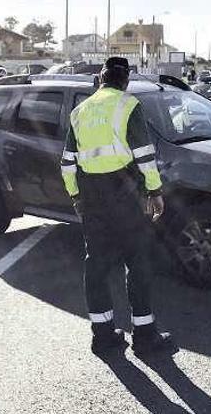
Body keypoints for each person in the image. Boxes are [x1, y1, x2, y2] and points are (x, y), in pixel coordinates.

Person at [60, 56, 175, 356]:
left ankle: (103, 335)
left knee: (96, 266)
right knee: (137, 263)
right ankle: (145, 337)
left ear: (100, 79)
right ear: (125, 81)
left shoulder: (79, 112)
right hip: (127, 195)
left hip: (92, 197)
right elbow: (145, 156)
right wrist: (155, 191)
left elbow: (67, 164)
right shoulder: (128, 106)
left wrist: (76, 198)